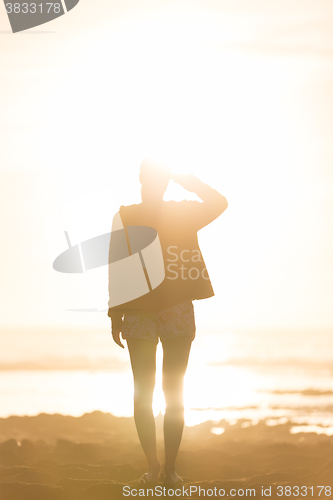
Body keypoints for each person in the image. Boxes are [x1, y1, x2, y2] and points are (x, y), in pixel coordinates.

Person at [108, 159, 227, 486]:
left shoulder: (177, 212)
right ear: (144, 181)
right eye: (155, 179)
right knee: (148, 393)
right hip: (141, 311)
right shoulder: (128, 215)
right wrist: (114, 311)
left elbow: (220, 204)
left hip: (165, 310)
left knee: (168, 392)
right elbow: (117, 264)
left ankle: (165, 469)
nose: (155, 184)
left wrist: (186, 179)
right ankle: (157, 467)